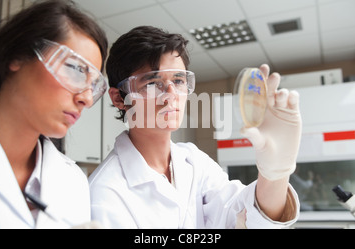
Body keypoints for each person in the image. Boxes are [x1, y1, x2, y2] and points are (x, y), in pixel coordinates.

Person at [89, 26, 301, 228]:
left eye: (179, 80)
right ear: (119, 98)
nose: (171, 94)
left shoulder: (193, 161)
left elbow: (248, 218)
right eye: (152, 83)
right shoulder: (104, 193)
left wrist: (275, 175)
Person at [0, 0, 108, 228]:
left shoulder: (74, 181)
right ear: (17, 56)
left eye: (94, 85)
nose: (86, 97)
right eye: (75, 69)